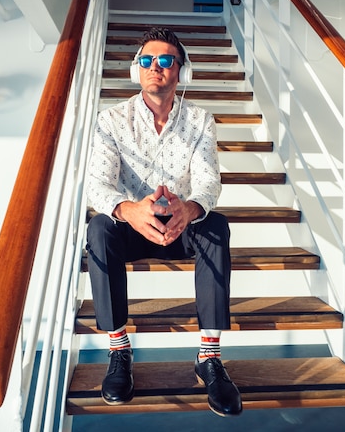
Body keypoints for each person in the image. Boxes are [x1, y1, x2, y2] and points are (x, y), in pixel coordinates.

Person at [85, 27, 242, 417]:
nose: (156, 67)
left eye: (166, 60)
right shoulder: (110, 120)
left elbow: (208, 182)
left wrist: (188, 209)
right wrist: (129, 210)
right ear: (135, 70)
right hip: (133, 227)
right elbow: (96, 184)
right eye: (147, 60)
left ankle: (209, 356)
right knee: (98, 228)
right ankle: (119, 349)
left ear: (181, 72)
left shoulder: (202, 121)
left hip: (182, 227)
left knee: (216, 225)